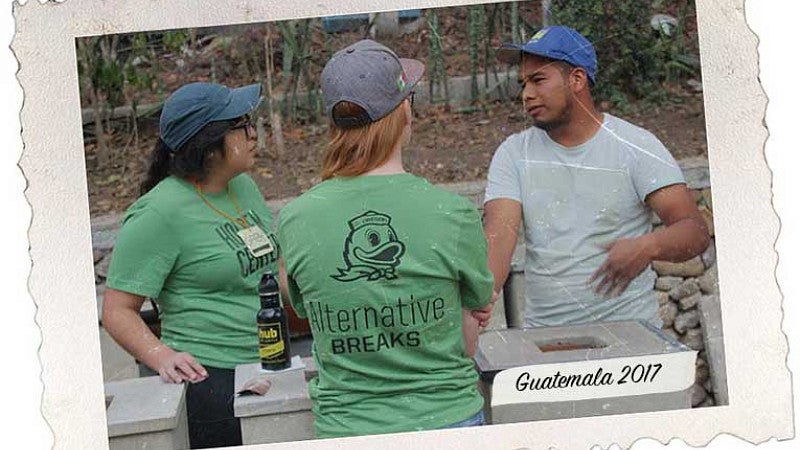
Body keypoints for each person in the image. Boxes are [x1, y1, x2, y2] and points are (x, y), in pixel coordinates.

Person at [277, 39, 495, 439]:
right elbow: (468, 333)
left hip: (348, 430)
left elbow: (305, 307)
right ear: (405, 109)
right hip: (447, 422)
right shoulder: (452, 211)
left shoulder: (294, 220)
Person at [484, 26, 710, 328]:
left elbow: (694, 231)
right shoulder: (513, 153)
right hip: (547, 344)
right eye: (523, 83)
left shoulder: (635, 145)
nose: (526, 94)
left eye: (538, 80)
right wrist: (481, 300)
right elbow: (499, 237)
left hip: (633, 339)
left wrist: (648, 246)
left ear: (576, 79)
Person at [102, 82, 279, 449]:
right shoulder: (158, 213)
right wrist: (161, 356)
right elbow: (118, 310)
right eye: (241, 123)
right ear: (208, 143)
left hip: (271, 359)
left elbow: (272, 267)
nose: (252, 133)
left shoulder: (242, 186)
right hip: (211, 381)